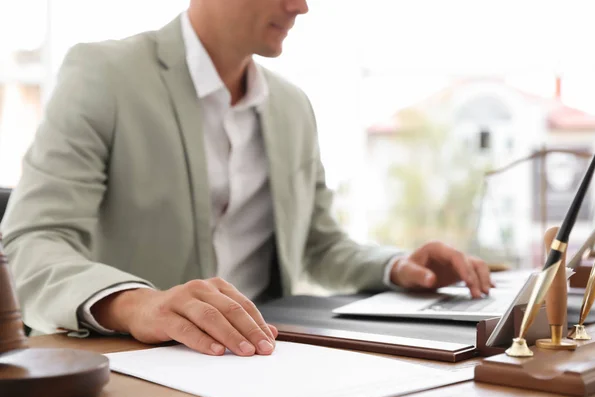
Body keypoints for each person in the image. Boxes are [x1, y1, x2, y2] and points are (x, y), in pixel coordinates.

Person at [0, 0, 492, 358]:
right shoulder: (104, 74)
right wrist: (136, 304)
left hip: (265, 358)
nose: (300, 7)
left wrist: (399, 266)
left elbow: (320, 246)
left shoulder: (292, 107)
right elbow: (30, 242)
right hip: (140, 364)